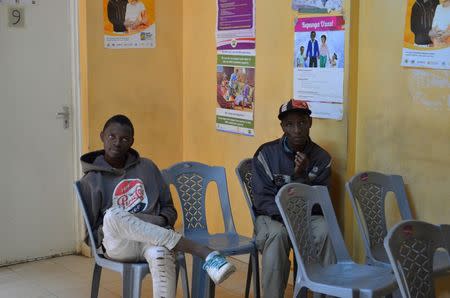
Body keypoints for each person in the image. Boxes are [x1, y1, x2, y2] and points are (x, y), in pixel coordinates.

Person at [79, 115, 235, 298]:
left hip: (154, 240)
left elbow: (169, 209)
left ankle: (193, 251)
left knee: (161, 255)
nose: (117, 143)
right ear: (102, 136)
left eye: (124, 139)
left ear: (132, 142)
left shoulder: (148, 167)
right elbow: (92, 233)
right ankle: (202, 251)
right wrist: (135, 223)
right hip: (119, 245)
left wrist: (155, 222)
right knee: (112, 215)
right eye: (112, 136)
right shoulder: (91, 180)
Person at [251, 99, 336, 298]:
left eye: (302, 123)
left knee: (326, 229)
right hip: (272, 217)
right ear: (282, 127)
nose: (296, 129)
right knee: (277, 235)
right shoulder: (266, 154)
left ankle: (326, 293)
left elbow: (322, 204)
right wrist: (288, 217)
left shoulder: (322, 158)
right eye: (290, 124)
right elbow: (262, 200)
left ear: (310, 123)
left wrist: (302, 177)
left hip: (307, 216)